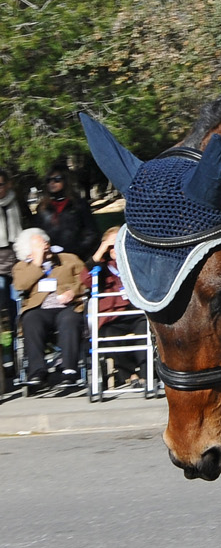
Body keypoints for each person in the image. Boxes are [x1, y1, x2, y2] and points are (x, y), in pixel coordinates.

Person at [12, 227, 85, 394]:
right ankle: (38, 372)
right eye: (39, 246)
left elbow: (85, 279)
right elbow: (21, 285)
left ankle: (69, 370)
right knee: (30, 319)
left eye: (45, 242)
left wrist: (73, 291)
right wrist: (37, 262)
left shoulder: (69, 259)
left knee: (70, 319)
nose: (45, 247)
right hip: (40, 308)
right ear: (28, 253)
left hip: (67, 306)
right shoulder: (22, 267)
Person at [83, 227, 147, 386]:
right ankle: (131, 375)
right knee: (107, 336)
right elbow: (85, 280)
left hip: (136, 311)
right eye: (111, 246)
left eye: (117, 243)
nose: (114, 249)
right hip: (113, 315)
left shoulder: (134, 262)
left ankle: (146, 375)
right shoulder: (102, 267)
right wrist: (102, 249)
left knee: (144, 331)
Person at [35, 167, 99, 263]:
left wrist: (78, 249)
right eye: (48, 180)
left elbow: (92, 232)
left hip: (78, 257)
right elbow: (39, 233)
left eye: (57, 179)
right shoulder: (43, 207)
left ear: (65, 181)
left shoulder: (79, 204)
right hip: (52, 259)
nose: (52, 183)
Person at [0, 167, 27, 386]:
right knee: (2, 321)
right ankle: (6, 361)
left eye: (1, 184)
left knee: (16, 314)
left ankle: (17, 362)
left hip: (16, 264)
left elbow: (24, 231)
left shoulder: (15, 203)